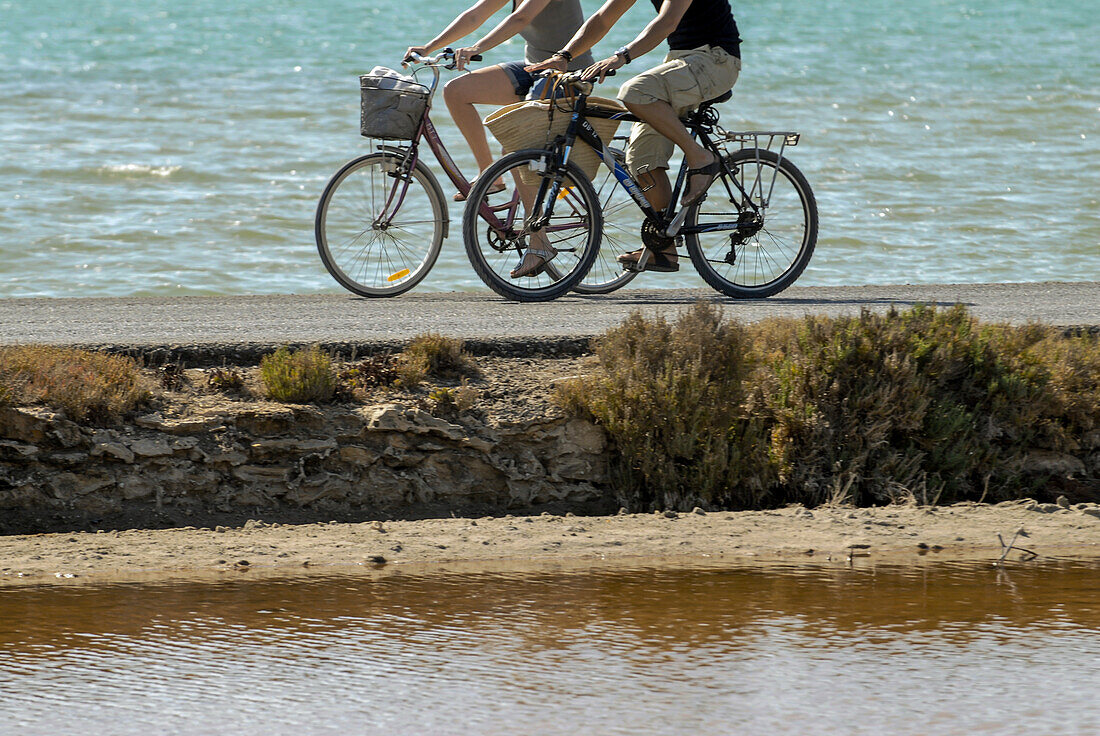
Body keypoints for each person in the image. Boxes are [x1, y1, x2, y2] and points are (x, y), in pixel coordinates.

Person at [527, 0, 741, 271]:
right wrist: (565, 56)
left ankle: (701, 158)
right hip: (681, 61)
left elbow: (667, 22)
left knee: (635, 91)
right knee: (641, 160)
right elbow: (604, 18)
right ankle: (663, 247)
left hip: (715, 59)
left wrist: (620, 57)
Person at [405, 0, 594, 201]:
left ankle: (536, 231)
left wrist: (476, 48)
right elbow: (475, 15)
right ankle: (490, 176)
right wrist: (429, 48)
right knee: (456, 91)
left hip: (568, 74)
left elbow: (521, 18)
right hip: (534, 68)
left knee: (514, 148)